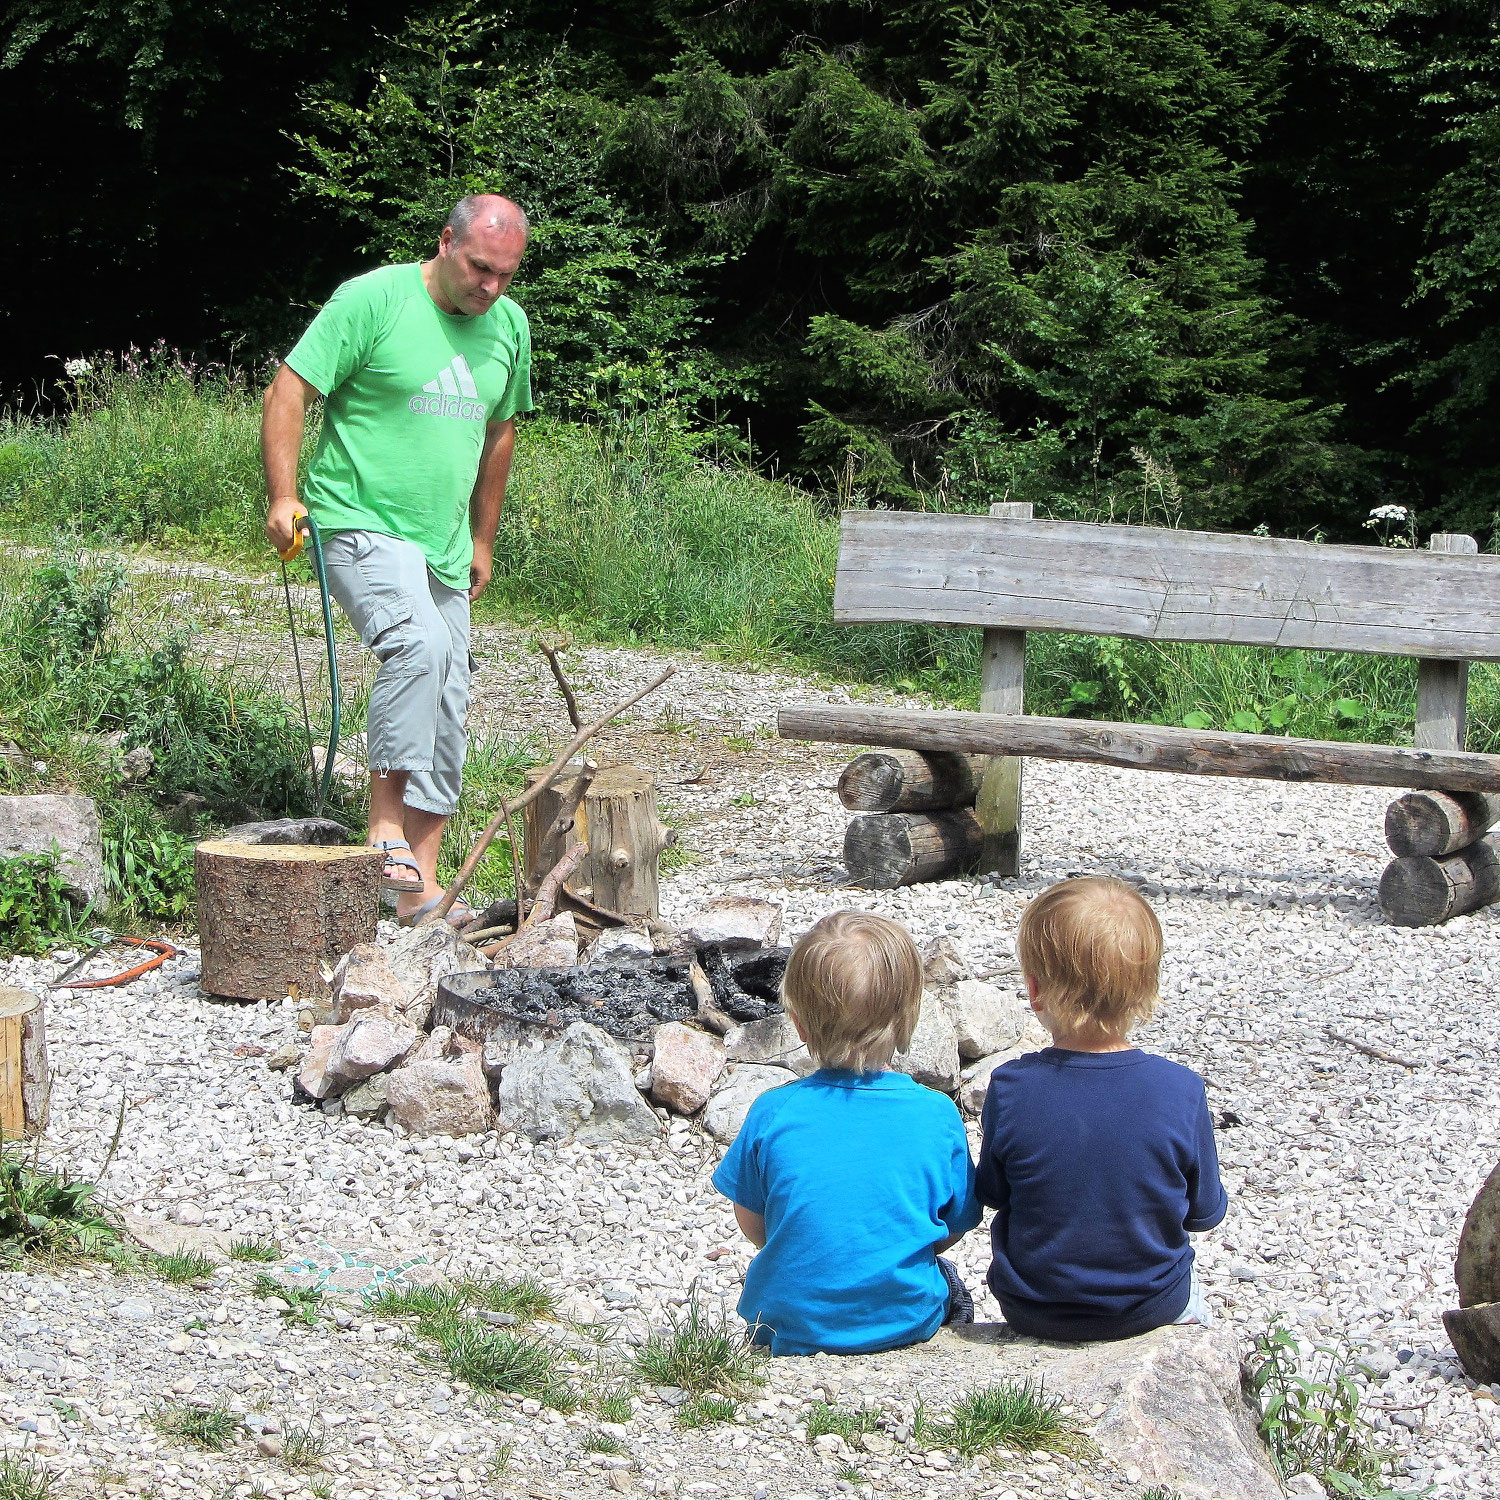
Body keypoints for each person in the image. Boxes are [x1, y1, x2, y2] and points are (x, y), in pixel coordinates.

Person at [261, 193, 533, 923]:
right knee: (416, 645)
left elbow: (501, 431)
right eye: (480, 268)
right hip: (357, 521)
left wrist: (482, 539)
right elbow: (290, 387)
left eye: (506, 275)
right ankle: (383, 826)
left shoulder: (508, 326)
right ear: (446, 242)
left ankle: (418, 888)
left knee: (451, 688)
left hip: (442, 542)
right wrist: (282, 496)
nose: (491, 288)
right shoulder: (373, 300)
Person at [713, 911, 982, 1355]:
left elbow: (752, 1221)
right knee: (945, 1274)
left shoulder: (773, 1111)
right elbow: (954, 1222)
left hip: (785, 1324)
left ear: (797, 1022)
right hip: (904, 1322)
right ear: (908, 1017)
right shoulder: (936, 1114)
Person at [976, 877, 1227, 1342]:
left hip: (1032, 1305)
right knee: (1198, 1303)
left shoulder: (1011, 1087)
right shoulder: (1181, 1090)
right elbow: (1203, 1212)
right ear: (1146, 989)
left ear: (1035, 989)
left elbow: (994, 1192)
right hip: (1149, 1305)